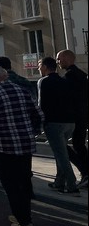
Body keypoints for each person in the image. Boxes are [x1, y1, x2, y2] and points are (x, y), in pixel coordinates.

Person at [0, 65, 44, 226]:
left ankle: (24, 222)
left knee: (11, 184)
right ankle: (22, 214)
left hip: (4, 145)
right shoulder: (22, 91)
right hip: (26, 143)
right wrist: (33, 132)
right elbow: (39, 115)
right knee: (23, 181)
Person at [37, 56, 80, 195]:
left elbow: (41, 104)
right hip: (69, 121)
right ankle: (59, 182)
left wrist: (40, 123)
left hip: (54, 122)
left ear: (45, 67)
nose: (38, 68)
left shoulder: (43, 81)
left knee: (61, 155)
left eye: (39, 66)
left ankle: (71, 184)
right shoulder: (64, 81)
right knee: (60, 152)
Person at [57, 49, 88, 188]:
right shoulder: (82, 74)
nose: (58, 62)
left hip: (74, 116)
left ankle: (85, 172)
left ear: (67, 59)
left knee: (69, 146)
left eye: (59, 59)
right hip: (82, 114)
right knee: (78, 145)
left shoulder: (70, 77)